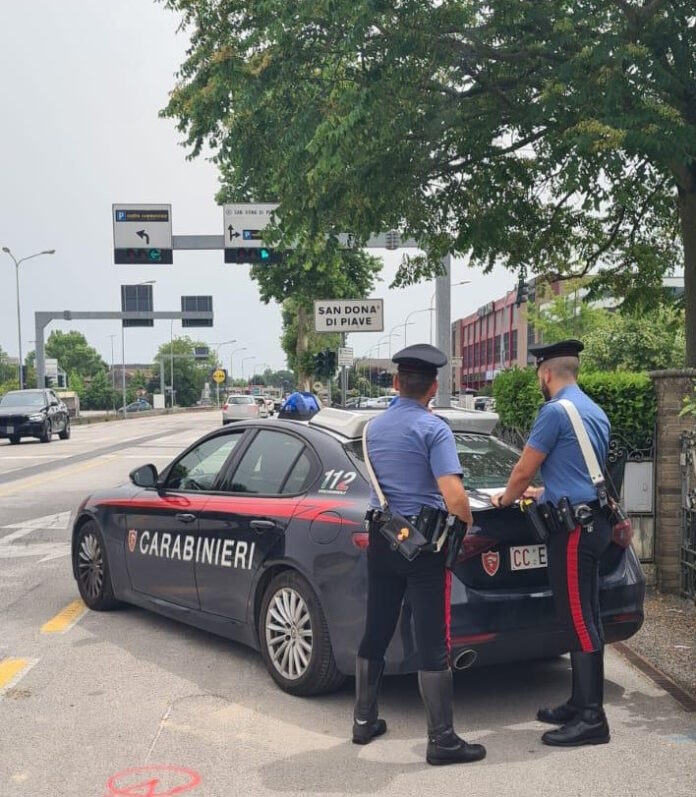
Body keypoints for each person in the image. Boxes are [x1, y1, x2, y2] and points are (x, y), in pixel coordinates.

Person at [352, 343, 486, 766]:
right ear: (433, 387)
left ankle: (363, 719)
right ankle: (441, 739)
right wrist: (464, 530)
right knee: (433, 636)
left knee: (377, 626)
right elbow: (455, 497)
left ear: (395, 383)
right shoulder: (434, 430)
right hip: (425, 547)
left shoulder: (372, 429)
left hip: (384, 538)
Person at [490, 339, 612, 747]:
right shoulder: (594, 411)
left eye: (538, 375)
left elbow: (525, 467)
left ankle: (592, 719)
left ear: (546, 373)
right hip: (594, 521)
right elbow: (581, 472)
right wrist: (546, 493)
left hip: (573, 530)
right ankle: (581, 703)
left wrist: (506, 498)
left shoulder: (554, 412)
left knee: (577, 620)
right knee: (589, 615)